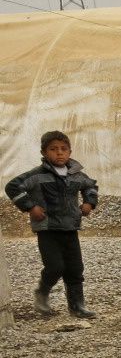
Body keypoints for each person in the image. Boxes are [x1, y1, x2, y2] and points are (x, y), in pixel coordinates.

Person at [5, 130, 99, 318]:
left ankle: (77, 306)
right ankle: (41, 293)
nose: (59, 153)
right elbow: (12, 187)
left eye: (64, 149)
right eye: (53, 149)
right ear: (44, 152)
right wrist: (30, 207)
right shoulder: (37, 175)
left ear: (70, 152)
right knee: (55, 266)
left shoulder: (76, 174)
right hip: (47, 229)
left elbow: (90, 186)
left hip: (70, 228)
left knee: (75, 268)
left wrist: (89, 202)